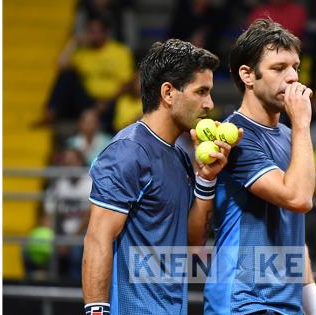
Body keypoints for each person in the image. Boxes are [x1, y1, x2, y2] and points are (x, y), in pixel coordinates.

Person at [82, 39, 235, 314]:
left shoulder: (179, 157)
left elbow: (192, 243)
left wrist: (206, 179)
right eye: (201, 91)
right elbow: (97, 238)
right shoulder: (128, 151)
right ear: (168, 92)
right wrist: (97, 311)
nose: (209, 103)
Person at [203, 19, 316, 315]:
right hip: (243, 302)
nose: (293, 77)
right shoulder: (234, 137)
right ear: (248, 75)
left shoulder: (290, 135)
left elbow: (294, 232)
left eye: (295, 66)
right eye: (279, 68)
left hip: (286, 304)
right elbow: (298, 198)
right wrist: (302, 123)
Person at [39, 14, 134, 127]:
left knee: (119, 104)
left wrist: (106, 102)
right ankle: (50, 113)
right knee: (67, 76)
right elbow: (61, 65)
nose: (91, 35)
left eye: (95, 32)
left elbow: (127, 84)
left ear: (105, 33)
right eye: (90, 31)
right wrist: (74, 43)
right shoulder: (83, 53)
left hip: (112, 101)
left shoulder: (120, 52)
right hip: (88, 99)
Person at [43, 148, 92, 281]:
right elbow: (49, 213)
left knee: (76, 255)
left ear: (81, 162)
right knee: (33, 250)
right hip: (61, 234)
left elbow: (89, 218)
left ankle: (75, 295)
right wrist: (54, 235)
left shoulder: (90, 182)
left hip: (83, 235)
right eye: (67, 162)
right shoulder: (59, 183)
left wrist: (68, 242)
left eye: (73, 161)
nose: (69, 165)